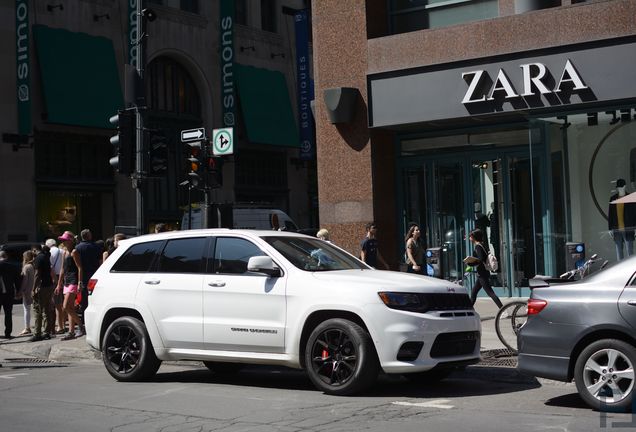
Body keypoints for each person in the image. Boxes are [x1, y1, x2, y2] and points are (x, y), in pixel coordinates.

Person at [465, 228, 503, 309]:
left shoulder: (478, 246)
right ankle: (468, 310)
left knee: (490, 292)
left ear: (473, 237)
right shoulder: (482, 245)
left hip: (482, 273)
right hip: (482, 273)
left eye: (470, 236)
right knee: (474, 292)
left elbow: (480, 259)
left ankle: (503, 310)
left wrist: (470, 263)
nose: (469, 238)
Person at [74, 228, 102, 335]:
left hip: (84, 276)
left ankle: (86, 323)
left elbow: (78, 265)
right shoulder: (96, 247)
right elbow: (100, 262)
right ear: (89, 236)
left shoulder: (78, 248)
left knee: (85, 301)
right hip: (95, 275)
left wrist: (79, 281)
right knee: (96, 299)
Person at [56, 231, 82, 341]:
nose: (63, 242)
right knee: (69, 307)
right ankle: (71, 332)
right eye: (62, 240)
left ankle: (81, 326)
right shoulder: (64, 252)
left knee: (66, 306)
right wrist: (59, 283)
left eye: (65, 240)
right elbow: (62, 269)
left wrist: (80, 282)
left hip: (74, 280)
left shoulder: (74, 252)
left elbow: (80, 268)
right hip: (66, 281)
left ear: (71, 240)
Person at [29, 245, 55, 342]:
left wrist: (33, 289)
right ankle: (47, 332)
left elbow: (37, 275)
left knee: (37, 310)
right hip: (49, 285)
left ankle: (37, 333)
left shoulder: (38, 258)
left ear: (35, 250)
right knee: (47, 309)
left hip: (41, 287)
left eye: (33, 251)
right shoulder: (46, 256)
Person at [608, 178, 636, 260]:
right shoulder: (613, 199)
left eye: (621, 187)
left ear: (625, 186)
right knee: (619, 252)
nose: (620, 189)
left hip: (628, 228)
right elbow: (610, 214)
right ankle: (620, 271)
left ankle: (631, 270)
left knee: (630, 252)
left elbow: (634, 214)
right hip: (617, 229)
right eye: (618, 187)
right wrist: (610, 228)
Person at [46, 238, 65, 334]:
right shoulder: (62, 251)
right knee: (63, 302)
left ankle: (59, 326)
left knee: (56, 303)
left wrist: (57, 281)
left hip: (54, 278)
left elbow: (50, 268)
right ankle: (63, 324)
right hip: (64, 276)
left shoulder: (49, 252)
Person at [0, 251, 21, 339]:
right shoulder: (13, 266)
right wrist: (18, 291)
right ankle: (8, 333)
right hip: (9, 292)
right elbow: (17, 280)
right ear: (7, 256)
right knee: (8, 313)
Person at [18, 250, 35, 336]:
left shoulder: (26, 267)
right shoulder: (34, 265)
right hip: (35, 289)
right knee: (37, 309)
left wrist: (20, 291)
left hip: (27, 291)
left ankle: (27, 327)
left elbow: (24, 281)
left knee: (26, 309)